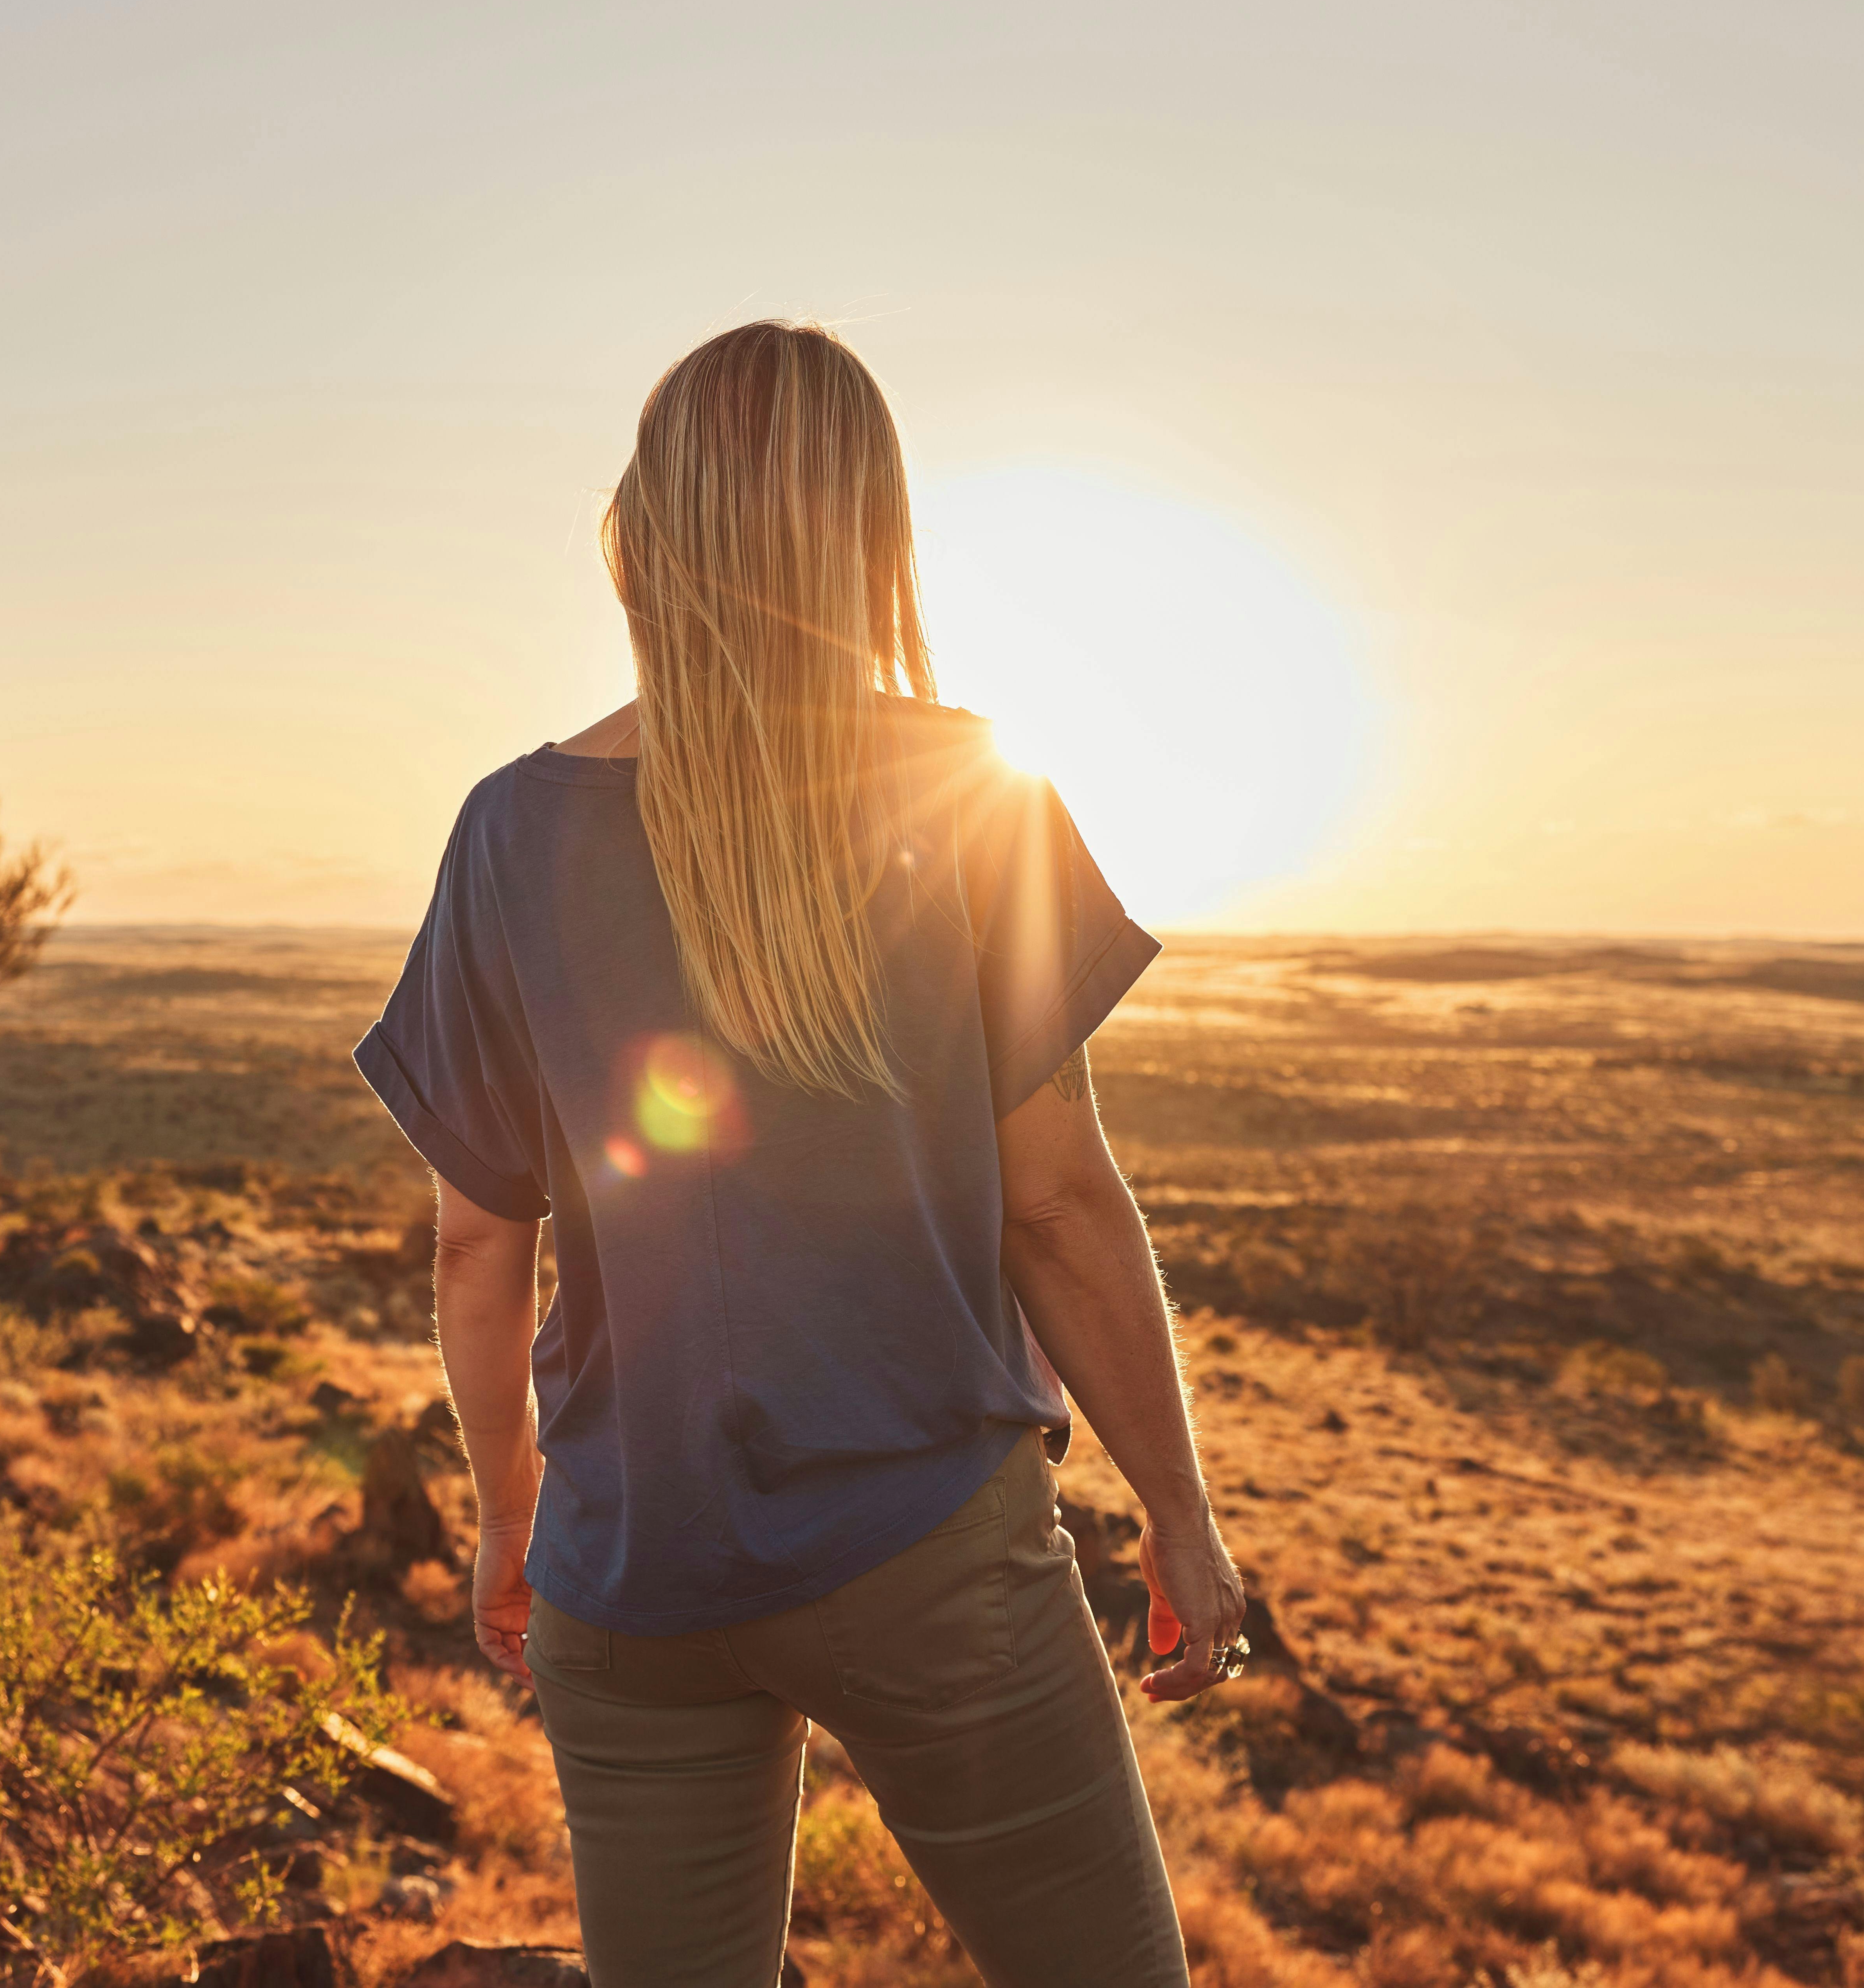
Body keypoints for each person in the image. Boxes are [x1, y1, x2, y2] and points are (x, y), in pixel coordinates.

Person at [353, 319, 1244, 1988]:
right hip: (926, 1547)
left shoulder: (505, 831)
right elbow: (1056, 1202)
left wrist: (505, 1523)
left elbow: (482, 1245)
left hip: (627, 1576)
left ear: (646, 528)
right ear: (866, 535)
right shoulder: (976, 790)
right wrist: (1179, 1521)